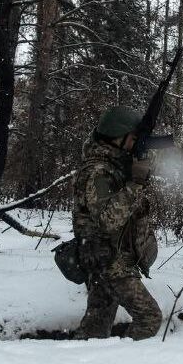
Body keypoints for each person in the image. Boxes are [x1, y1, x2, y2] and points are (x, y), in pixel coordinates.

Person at [71, 106, 162, 340]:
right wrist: (136, 184)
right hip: (109, 262)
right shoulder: (98, 171)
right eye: (133, 139)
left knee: (95, 327)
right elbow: (108, 221)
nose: (137, 144)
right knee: (149, 318)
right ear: (117, 138)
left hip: (110, 258)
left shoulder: (118, 163)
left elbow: (157, 150)